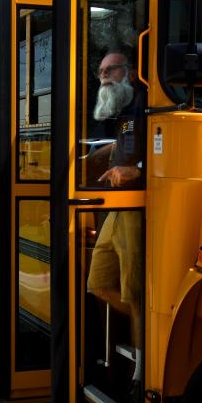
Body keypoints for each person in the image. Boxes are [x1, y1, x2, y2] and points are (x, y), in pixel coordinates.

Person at [86, 49, 145, 349]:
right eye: (101, 73)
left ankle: (140, 374)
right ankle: (146, 323)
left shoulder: (147, 107)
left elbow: (169, 157)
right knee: (98, 283)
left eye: (111, 71)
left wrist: (136, 171)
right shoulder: (124, 112)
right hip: (116, 207)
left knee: (133, 294)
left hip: (135, 209)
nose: (103, 77)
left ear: (131, 73)